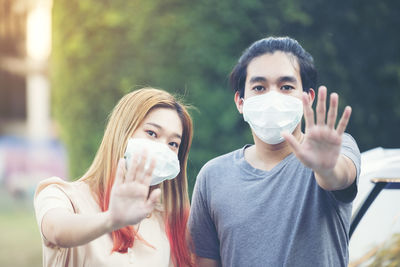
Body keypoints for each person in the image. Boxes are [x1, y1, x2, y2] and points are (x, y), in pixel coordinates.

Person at [188, 36, 361, 267]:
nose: (272, 97)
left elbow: (338, 177)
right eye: (259, 87)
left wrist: (326, 168)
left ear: (307, 98)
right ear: (240, 102)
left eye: (286, 87)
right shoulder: (213, 176)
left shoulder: (335, 148)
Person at [34, 88, 195, 267]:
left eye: (173, 144)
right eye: (151, 133)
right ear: (122, 132)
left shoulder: (170, 222)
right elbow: (57, 230)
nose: (162, 148)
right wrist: (110, 219)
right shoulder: (63, 196)